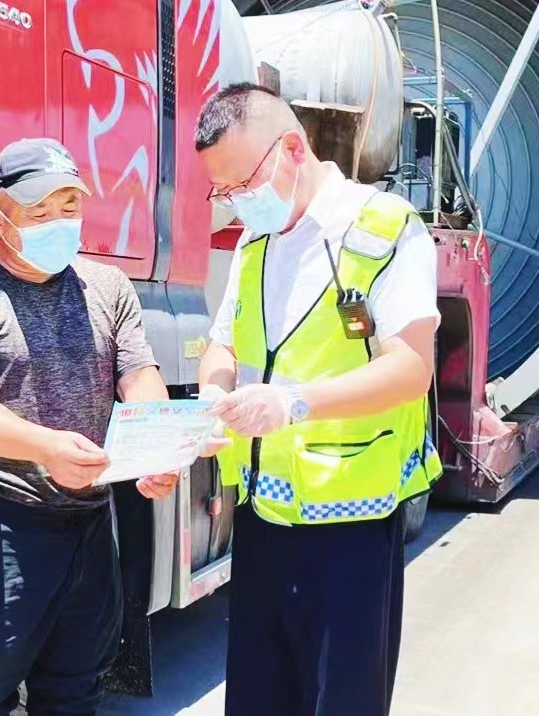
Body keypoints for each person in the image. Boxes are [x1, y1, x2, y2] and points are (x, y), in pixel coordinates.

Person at [194, 83, 443, 716]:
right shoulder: (253, 249)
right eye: (221, 191)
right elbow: (223, 345)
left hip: (351, 530)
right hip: (263, 522)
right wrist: (212, 397)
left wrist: (292, 403)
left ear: (292, 150)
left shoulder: (385, 228)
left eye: (241, 186)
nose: (233, 203)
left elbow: (411, 369)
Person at [0, 137, 179, 715]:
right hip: (0, 531)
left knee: (76, 692)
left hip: (88, 531)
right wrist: (45, 449)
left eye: (69, 208)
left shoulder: (107, 287)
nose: (59, 223)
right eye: (39, 213)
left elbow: (138, 377)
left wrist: (156, 445)